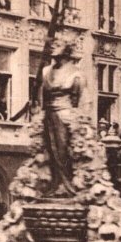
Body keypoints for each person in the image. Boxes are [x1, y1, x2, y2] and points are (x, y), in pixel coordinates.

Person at [41, 42, 82, 197]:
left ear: (66, 51)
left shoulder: (75, 73)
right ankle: (54, 183)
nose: (53, 46)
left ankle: (67, 184)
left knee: (63, 149)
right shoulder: (46, 71)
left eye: (57, 45)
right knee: (50, 149)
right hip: (49, 115)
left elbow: (77, 99)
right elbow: (43, 97)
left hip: (65, 115)